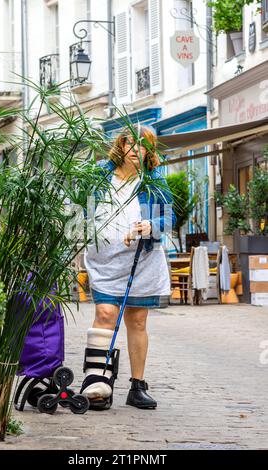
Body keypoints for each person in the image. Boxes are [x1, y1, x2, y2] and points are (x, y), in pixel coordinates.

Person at [80, 125, 174, 411]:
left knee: (136, 321)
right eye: (130, 143)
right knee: (105, 313)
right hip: (105, 262)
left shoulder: (154, 181)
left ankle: (137, 386)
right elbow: (80, 209)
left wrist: (151, 226)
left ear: (150, 151)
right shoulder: (99, 174)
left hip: (141, 262)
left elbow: (167, 219)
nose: (135, 149)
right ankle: (97, 382)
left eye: (142, 145)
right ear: (120, 145)